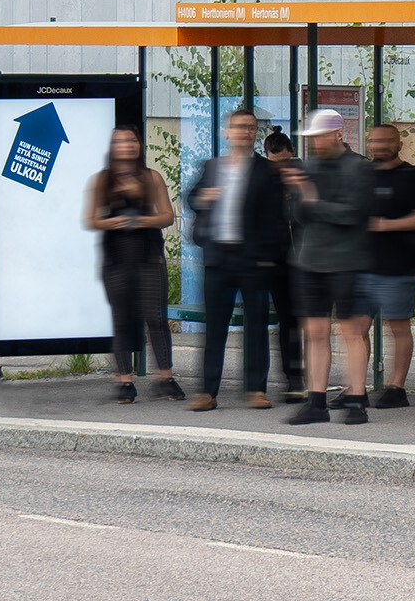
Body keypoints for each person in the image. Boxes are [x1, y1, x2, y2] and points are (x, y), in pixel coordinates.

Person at [185, 108, 287, 412]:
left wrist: (269, 256)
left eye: (251, 127)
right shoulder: (212, 167)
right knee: (215, 327)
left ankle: (256, 389)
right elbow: (192, 199)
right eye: (240, 127)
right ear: (227, 132)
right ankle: (207, 391)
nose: (245, 131)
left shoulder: (267, 171)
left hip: (253, 259)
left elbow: (275, 218)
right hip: (218, 258)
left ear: (255, 134)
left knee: (256, 326)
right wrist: (205, 198)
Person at [283, 107, 377, 425]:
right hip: (309, 260)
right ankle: (316, 402)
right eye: (311, 137)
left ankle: (355, 401)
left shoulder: (359, 168)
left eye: (320, 136)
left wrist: (311, 199)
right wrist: (303, 199)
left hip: (348, 261)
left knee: (351, 331)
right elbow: (298, 215)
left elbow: (352, 214)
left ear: (339, 134)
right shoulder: (308, 166)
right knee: (315, 332)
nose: (315, 143)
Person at [87, 124, 181, 404]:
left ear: (139, 145)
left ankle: (166, 377)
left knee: (156, 318)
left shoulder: (151, 177)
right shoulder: (102, 180)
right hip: (116, 259)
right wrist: (112, 222)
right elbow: (91, 219)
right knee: (122, 320)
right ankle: (124, 381)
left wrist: (141, 220)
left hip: (149, 257)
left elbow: (167, 217)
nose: (126, 146)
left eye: (131, 141)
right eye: (120, 141)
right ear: (112, 147)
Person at [360, 123, 415, 409]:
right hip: (362, 264)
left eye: (385, 141)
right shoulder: (362, 175)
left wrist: (387, 225)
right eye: (374, 141)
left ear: (398, 144)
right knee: (357, 326)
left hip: (399, 264)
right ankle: (356, 388)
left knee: (397, 325)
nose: (378, 146)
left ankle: (397, 388)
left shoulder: (414, 176)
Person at [260, 128, 307, 400]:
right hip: (278, 260)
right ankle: (294, 377)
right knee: (288, 320)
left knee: (308, 321)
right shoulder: (264, 178)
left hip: (304, 257)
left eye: (285, 162)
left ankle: (308, 376)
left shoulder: (304, 175)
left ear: (292, 152)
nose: (281, 170)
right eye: (274, 164)